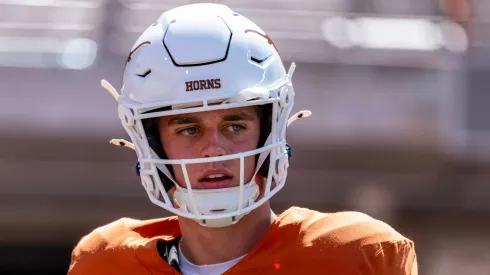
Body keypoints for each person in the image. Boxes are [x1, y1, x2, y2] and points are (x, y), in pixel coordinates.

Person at [68, 3, 417, 275]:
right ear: (152, 143)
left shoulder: (356, 254)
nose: (214, 149)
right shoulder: (105, 264)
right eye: (188, 129)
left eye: (234, 126)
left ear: (269, 128)